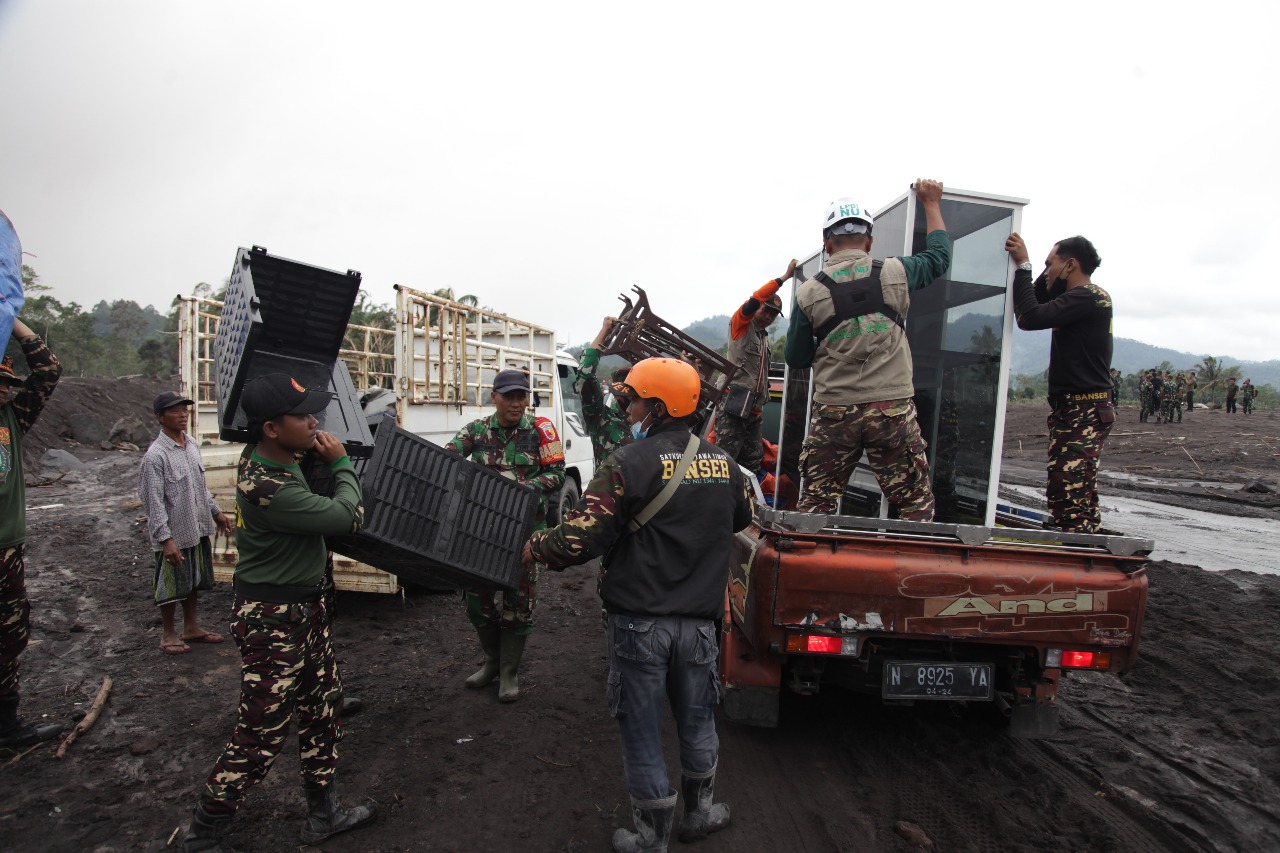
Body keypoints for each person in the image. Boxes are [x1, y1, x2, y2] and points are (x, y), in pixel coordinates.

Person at [523, 357, 753, 852]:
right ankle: (700, 813)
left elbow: (581, 539)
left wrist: (538, 546)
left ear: (659, 405)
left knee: (643, 728)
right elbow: (741, 517)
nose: (627, 406)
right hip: (699, 627)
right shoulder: (726, 465)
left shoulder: (628, 462)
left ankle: (651, 837)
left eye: (633, 398)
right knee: (697, 721)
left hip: (640, 625)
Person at [181, 373, 374, 851]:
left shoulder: (274, 459)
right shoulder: (271, 485)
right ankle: (203, 832)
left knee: (324, 708)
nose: (314, 422)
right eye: (302, 416)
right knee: (261, 734)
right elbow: (347, 517)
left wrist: (312, 449)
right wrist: (343, 464)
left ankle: (323, 815)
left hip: (301, 613)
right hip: (275, 623)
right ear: (270, 427)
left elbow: (300, 453)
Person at [785, 180, 952, 519]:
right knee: (914, 505)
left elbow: (796, 358)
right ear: (869, 241)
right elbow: (938, 257)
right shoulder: (897, 272)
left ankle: (809, 567)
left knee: (816, 505)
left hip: (835, 412)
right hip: (892, 410)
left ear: (826, 243)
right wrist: (931, 203)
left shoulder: (808, 294)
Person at [447, 368, 565, 702]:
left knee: (519, 600)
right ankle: (492, 663)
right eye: (509, 396)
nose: (516, 403)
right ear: (494, 397)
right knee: (476, 600)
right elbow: (449, 457)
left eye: (521, 396)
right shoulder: (477, 430)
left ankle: (510, 672)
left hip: (525, 533)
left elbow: (556, 473)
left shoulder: (542, 431)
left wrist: (524, 488)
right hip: (482, 532)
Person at [1006, 232, 1113, 534]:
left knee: (1069, 495)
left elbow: (1029, 316)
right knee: (1070, 492)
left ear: (1070, 266)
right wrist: (1037, 272)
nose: (1047, 270)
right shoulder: (1075, 299)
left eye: (1050, 263)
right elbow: (1036, 299)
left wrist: (1024, 265)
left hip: (1084, 410)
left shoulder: (1090, 297)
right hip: (1074, 411)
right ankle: (1086, 554)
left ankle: (1083, 566)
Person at [0, 317, 63, 752]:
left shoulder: (11, 418)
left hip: (6, 549)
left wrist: (11, 316)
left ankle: (7, 726)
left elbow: (47, 372)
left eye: (7, 382)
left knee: (10, 633)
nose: (5, 388)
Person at [138, 392, 234, 655]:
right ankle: (168, 633)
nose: (182, 415)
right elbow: (153, 502)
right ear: (160, 417)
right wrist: (165, 539)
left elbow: (200, 487)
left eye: (184, 410)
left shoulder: (191, 444)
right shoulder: (155, 456)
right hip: (173, 533)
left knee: (192, 579)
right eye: (175, 411)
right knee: (169, 584)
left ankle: (191, 627)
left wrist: (216, 512)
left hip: (196, 526)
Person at [715, 260, 797, 473]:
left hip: (754, 408)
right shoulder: (741, 324)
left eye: (772, 314)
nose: (768, 316)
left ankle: (743, 502)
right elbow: (755, 298)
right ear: (757, 308)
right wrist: (785, 277)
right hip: (734, 403)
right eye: (766, 310)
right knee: (724, 460)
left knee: (752, 460)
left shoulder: (763, 336)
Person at [577, 316, 633, 465]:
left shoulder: (653, 420)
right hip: (606, 488)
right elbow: (585, 376)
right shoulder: (603, 420)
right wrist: (605, 331)